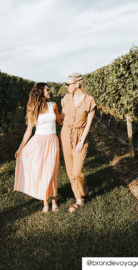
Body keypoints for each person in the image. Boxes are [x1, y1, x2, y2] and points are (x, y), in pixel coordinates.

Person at [14, 82, 62, 213]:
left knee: (52, 171)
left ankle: (54, 200)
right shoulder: (32, 108)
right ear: (40, 92)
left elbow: (60, 121)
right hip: (38, 142)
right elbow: (29, 130)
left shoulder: (53, 105)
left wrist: (69, 112)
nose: (49, 91)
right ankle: (45, 202)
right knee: (41, 172)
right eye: (47, 90)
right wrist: (20, 148)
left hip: (52, 141)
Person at [60, 73, 96, 212]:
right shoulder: (66, 99)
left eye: (68, 84)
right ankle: (79, 200)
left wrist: (81, 140)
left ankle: (84, 189)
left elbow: (88, 124)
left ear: (77, 84)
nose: (66, 86)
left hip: (81, 135)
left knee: (77, 171)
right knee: (70, 171)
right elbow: (62, 117)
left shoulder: (89, 101)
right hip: (66, 134)